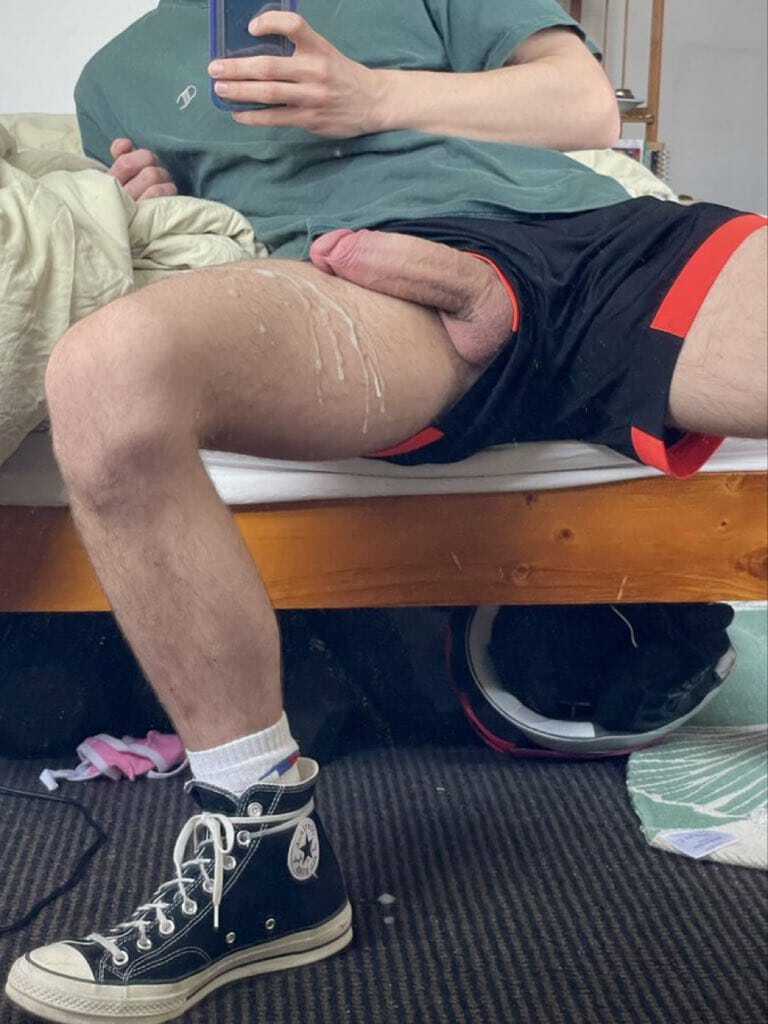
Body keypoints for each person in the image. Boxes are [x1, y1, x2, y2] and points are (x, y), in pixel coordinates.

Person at [5, 2, 766, 1021]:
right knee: (101, 373)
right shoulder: (115, 76)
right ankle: (264, 857)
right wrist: (154, 200)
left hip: (597, 242)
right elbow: (181, 222)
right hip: (373, 284)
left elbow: (583, 104)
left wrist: (369, 96)